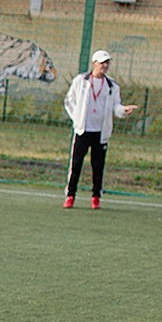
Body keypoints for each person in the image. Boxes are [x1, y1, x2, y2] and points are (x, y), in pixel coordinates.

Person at [62, 49, 138, 209]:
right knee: (76, 164)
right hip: (83, 131)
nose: (105, 66)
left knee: (98, 166)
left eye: (107, 63)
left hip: (100, 133)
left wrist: (123, 111)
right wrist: (77, 118)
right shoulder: (80, 81)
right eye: (102, 62)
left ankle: (96, 197)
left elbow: (116, 106)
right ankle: (70, 195)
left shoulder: (112, 85)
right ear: (94, 63)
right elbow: (69, 100)